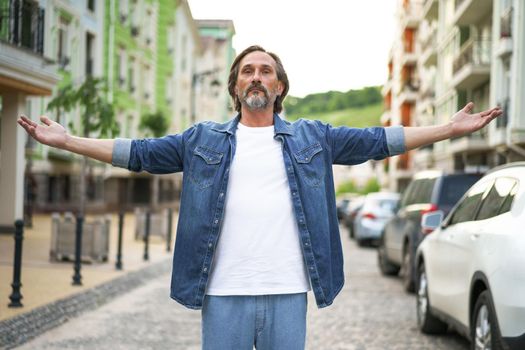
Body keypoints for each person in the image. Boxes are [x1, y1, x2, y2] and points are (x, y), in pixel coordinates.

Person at [18, 45, 502, 349]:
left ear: (280, 85)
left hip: (289, 290)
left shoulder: (313, 137)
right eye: (247, 70)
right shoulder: (201, 139)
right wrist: (68, 142)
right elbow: (138, 153)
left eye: (265, 71)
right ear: (235, 85)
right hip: (222, 293)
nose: (255, 77)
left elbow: (378, 141)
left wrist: (446, 130)